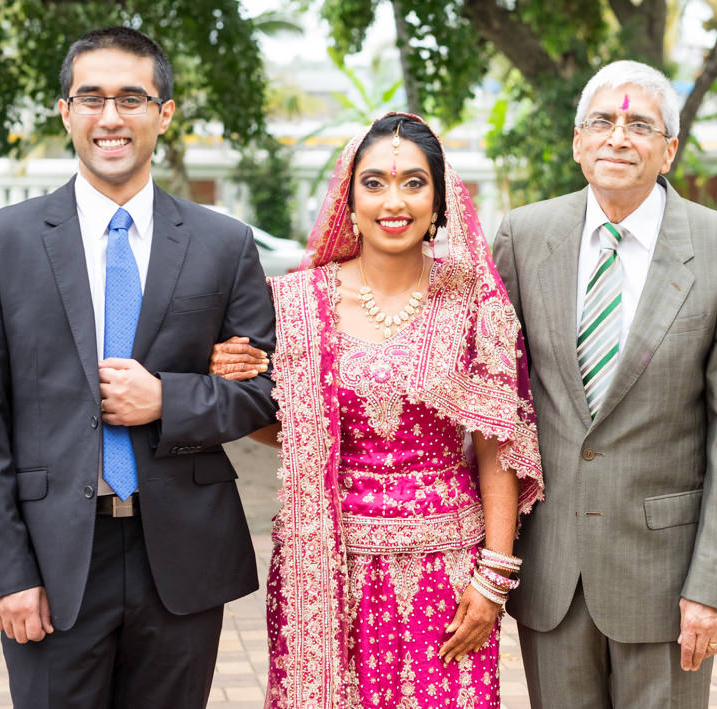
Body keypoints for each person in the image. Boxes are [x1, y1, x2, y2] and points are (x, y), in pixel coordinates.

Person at [0, 26, 276, 708]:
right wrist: (6, 572)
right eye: (90, 97)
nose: (111, 117)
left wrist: (169, 399)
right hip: (52, 558)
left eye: (132, 98)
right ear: (64, 111)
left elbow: (263, 394)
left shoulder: (224, 244)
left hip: (182, 558)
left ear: (165, 112)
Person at [210, 113, 543, 707]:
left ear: (439, 200)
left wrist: (494, 578)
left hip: (448, 572)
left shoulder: (474, 303)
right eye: (375, 183)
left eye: (415, 183)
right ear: (349, 195)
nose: (395, 201)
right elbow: (286, 427)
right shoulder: (293, 302)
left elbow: (499, 447)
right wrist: (235, 379)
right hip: (326, 564)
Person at [492, 60, 717, 708]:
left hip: (668, 580)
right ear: (577, 141)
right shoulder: (525, 236)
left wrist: (715, 586)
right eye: (602, 121)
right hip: (552, 574)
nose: (618, 137)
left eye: (640, 124)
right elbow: (493, 394)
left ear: (669, 148)